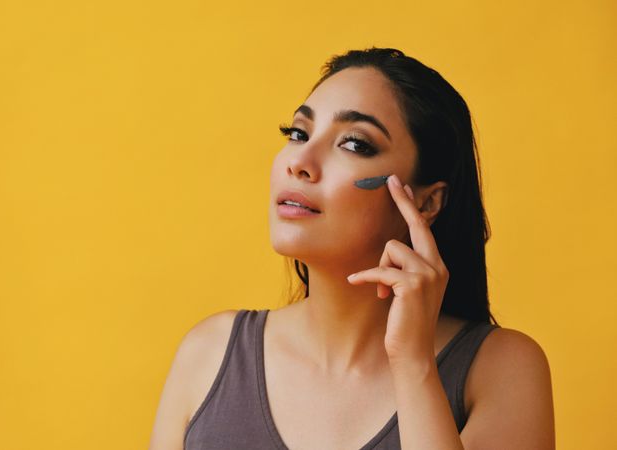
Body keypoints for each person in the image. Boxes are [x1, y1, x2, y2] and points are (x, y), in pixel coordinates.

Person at [149, 47, 555, 449]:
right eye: (298, 133)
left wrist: (413, 365)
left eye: (355, 144)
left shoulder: (502, 369)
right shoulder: (208, 354)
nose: (300, 161)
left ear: (426, 202)